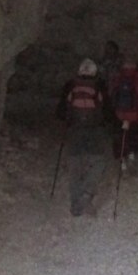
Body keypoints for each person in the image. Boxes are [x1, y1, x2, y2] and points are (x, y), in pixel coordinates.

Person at [56, 58, 114, 216]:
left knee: (75, 166)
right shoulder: (99, 85)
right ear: (95, 72)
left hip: (75, 131)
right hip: (95, 131)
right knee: (98, 161)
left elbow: (60, 112)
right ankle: (87, 193)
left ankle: (75, 204)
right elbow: (108, 111)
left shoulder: (71, 85)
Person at [109, 58, 138, 171]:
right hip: (134, 116)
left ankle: (122, 161)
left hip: (119, 115)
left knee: (120, 137)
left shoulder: (117, 80)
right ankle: (131, 157)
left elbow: (112, 99)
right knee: (132, 136)